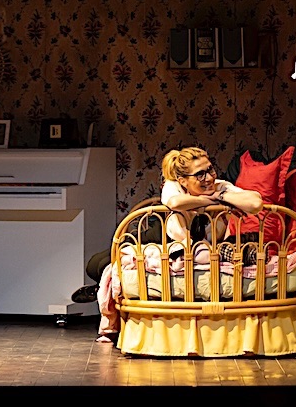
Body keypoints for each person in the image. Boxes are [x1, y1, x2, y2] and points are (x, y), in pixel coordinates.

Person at [94, 145, 263, 342]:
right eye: (200, 174)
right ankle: (97, 290)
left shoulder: (219, 187)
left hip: (194, 243)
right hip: (158, 236)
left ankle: (95, 288)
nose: (208, 178)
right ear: (183, 180)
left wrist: (220, 196)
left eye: (210, 169)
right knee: (97, 264)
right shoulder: (173, 186)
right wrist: (210, 201)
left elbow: (255, 203)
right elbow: (174, 203)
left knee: (100, 265)